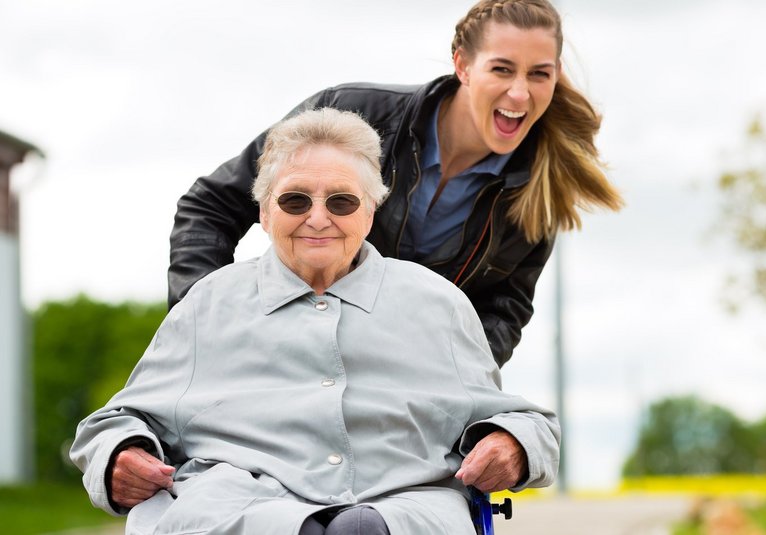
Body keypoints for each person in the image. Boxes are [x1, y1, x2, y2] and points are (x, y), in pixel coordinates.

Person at [71, 108, 560, 535]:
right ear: (264, 212)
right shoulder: (209, 303)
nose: (318, 218)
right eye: (295, 200)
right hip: (244, 508)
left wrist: (512, 445)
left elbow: (525, 421)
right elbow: (115, 422)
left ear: (371, 212)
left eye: (341, 201)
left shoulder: (438, 303)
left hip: (399, 506)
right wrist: (121, 453)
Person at [169, 0, 624, 369]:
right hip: (280, 356)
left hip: (391, 390)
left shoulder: (538, 193)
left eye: (538, 73)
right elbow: (210, 206)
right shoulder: (350, 112)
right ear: (462, 65)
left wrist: (445, 385)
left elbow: (502, 313)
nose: (520, 93)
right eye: (502, 69)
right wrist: (208, 326)